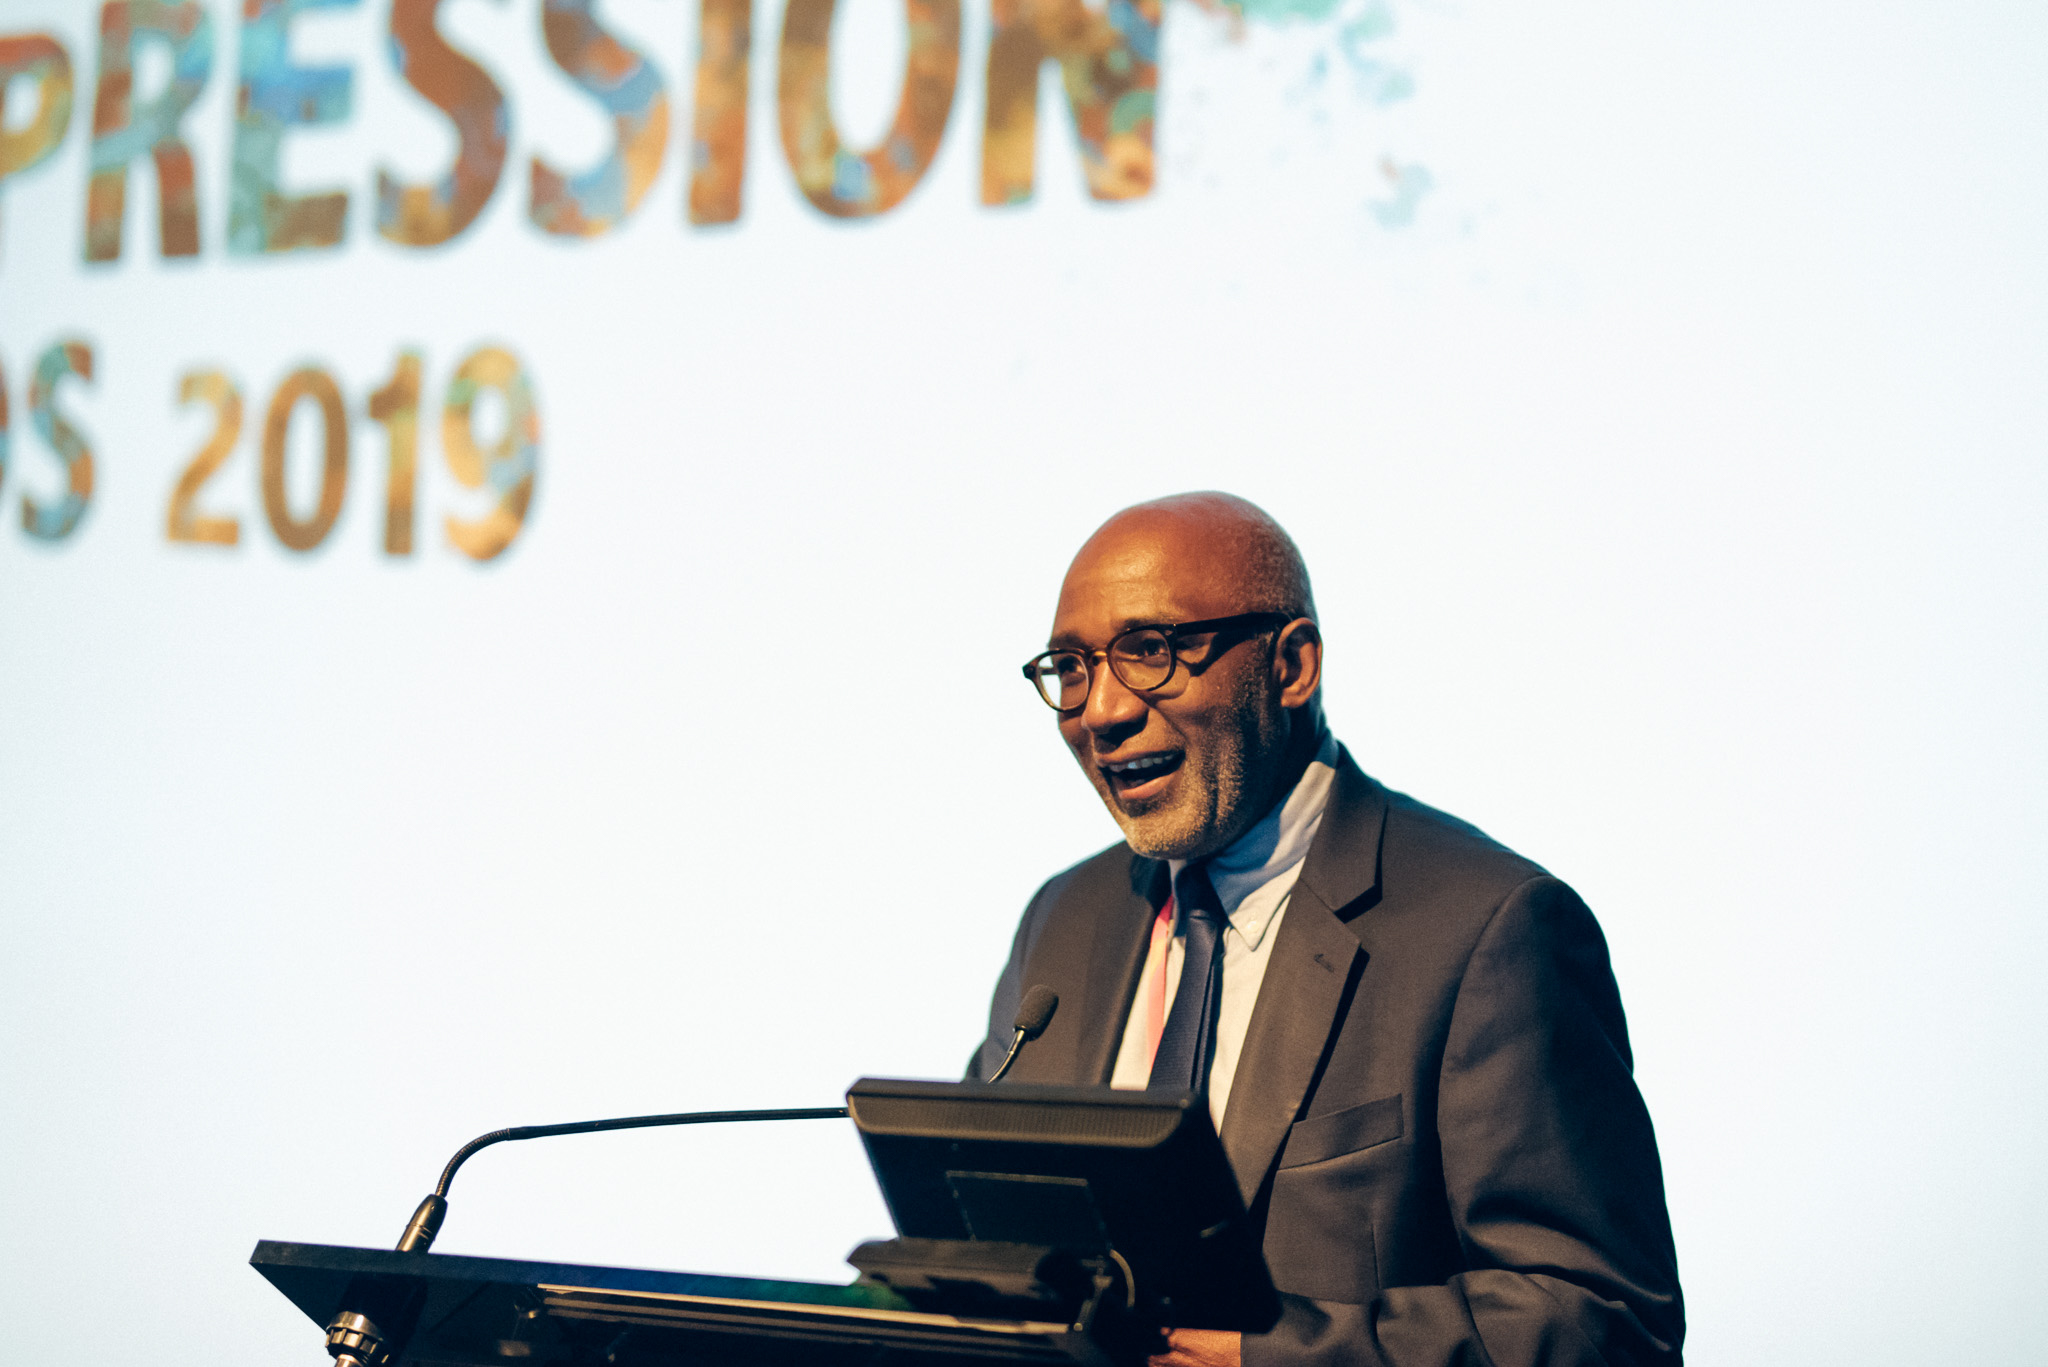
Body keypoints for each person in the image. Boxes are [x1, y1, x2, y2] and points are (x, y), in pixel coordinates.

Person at [972, 493, 1683, 1367]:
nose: (1102, 710)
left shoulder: (1490, 929)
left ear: (1293, 665)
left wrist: (1272, 1359)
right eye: (1072, 669)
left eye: (1151, 652)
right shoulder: (1064, 917)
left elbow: (1602, 1318)